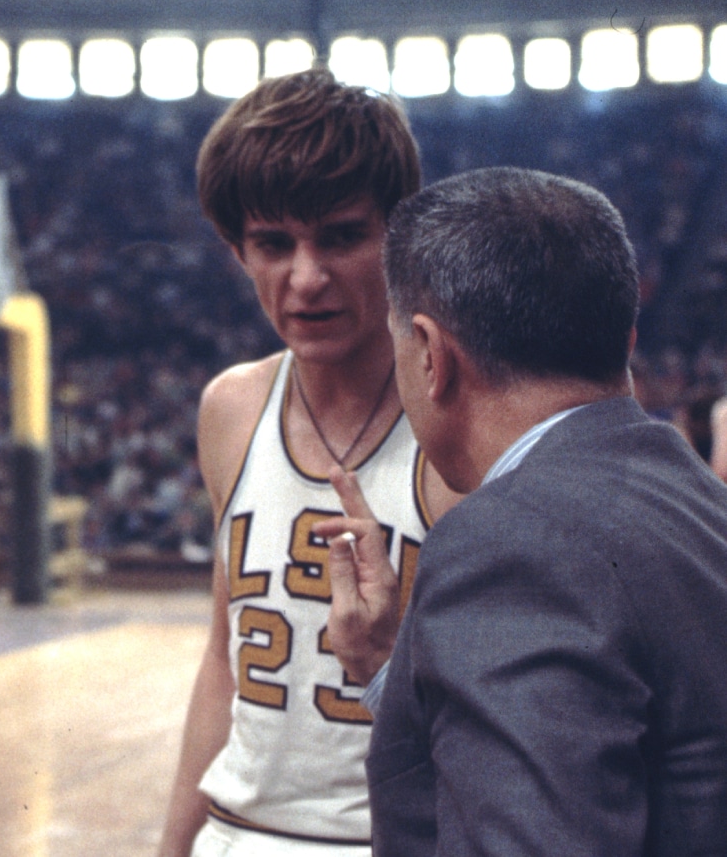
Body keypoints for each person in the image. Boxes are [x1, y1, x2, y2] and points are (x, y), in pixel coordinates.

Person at [331, 166, 727, 854]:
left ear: (429, 354)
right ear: (624, 341)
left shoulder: (509, 545)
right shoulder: (696, 499)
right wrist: (394, 669)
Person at [158, 65, 459, 857]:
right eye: (273, 243)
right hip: (236, 833)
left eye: (341, 235)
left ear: (399, 234)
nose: (306, 276)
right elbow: (224, 656)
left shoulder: (460, 418)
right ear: (237, 250)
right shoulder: (230, 408)